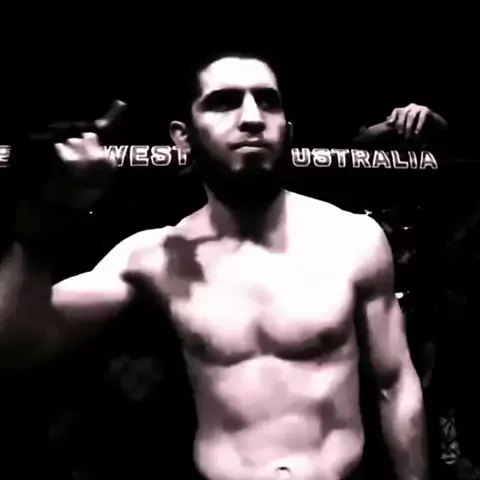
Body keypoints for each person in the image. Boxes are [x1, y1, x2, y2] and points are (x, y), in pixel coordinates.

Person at [2, 50, 427, 480]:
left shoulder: (352, 238)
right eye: (224, 102)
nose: (252, 118)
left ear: (288, 129)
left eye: (268, 101)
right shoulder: (157, 256)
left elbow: (396, 384)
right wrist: (45, 214)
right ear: (183, 137)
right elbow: (17, 346)